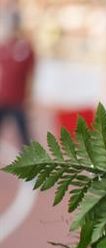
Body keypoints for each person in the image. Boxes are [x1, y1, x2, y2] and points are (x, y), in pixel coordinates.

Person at [0, 9, 35, 148]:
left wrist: (29, 96)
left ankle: (31, 157)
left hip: (18, 100)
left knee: (24, 134)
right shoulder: (3, 47)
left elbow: (31, 74)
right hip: (3, 98)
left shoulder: (26, 47)